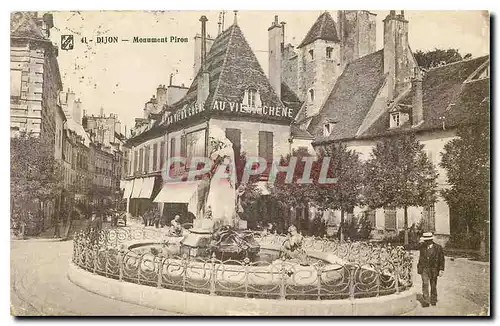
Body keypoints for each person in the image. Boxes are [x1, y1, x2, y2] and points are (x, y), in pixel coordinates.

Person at [417, 232, 445, 307]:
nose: (426, 242)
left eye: (427, 240)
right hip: (424, 269)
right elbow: (420, 257)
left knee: (433, 285)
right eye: (425, 240)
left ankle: (433, 299)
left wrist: (441, 269)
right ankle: (426, 301)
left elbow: (441, 259)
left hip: (434, 269)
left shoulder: (438, 247)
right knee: (425, 283)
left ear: (431, 240)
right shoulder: (422, 247)